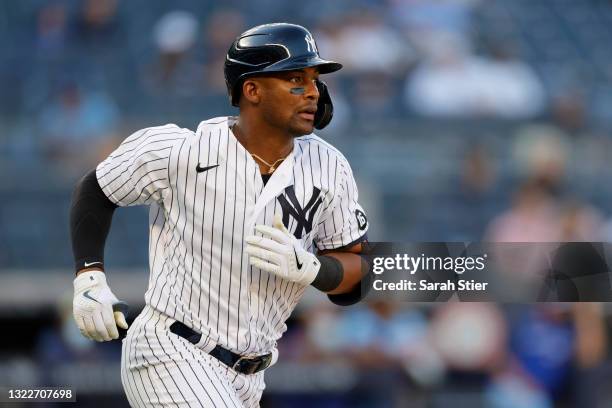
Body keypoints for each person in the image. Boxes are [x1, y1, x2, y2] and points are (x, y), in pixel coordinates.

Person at [69, 23, 370, 407]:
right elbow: (95, 190)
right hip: (170, 350)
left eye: (314, 80)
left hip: (251, 375)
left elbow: (362, 269)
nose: (313, 92)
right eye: (296, 79)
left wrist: (315, 270)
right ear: (252, 90)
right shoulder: (182, 151)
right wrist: (89, 277)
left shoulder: (329, 166)